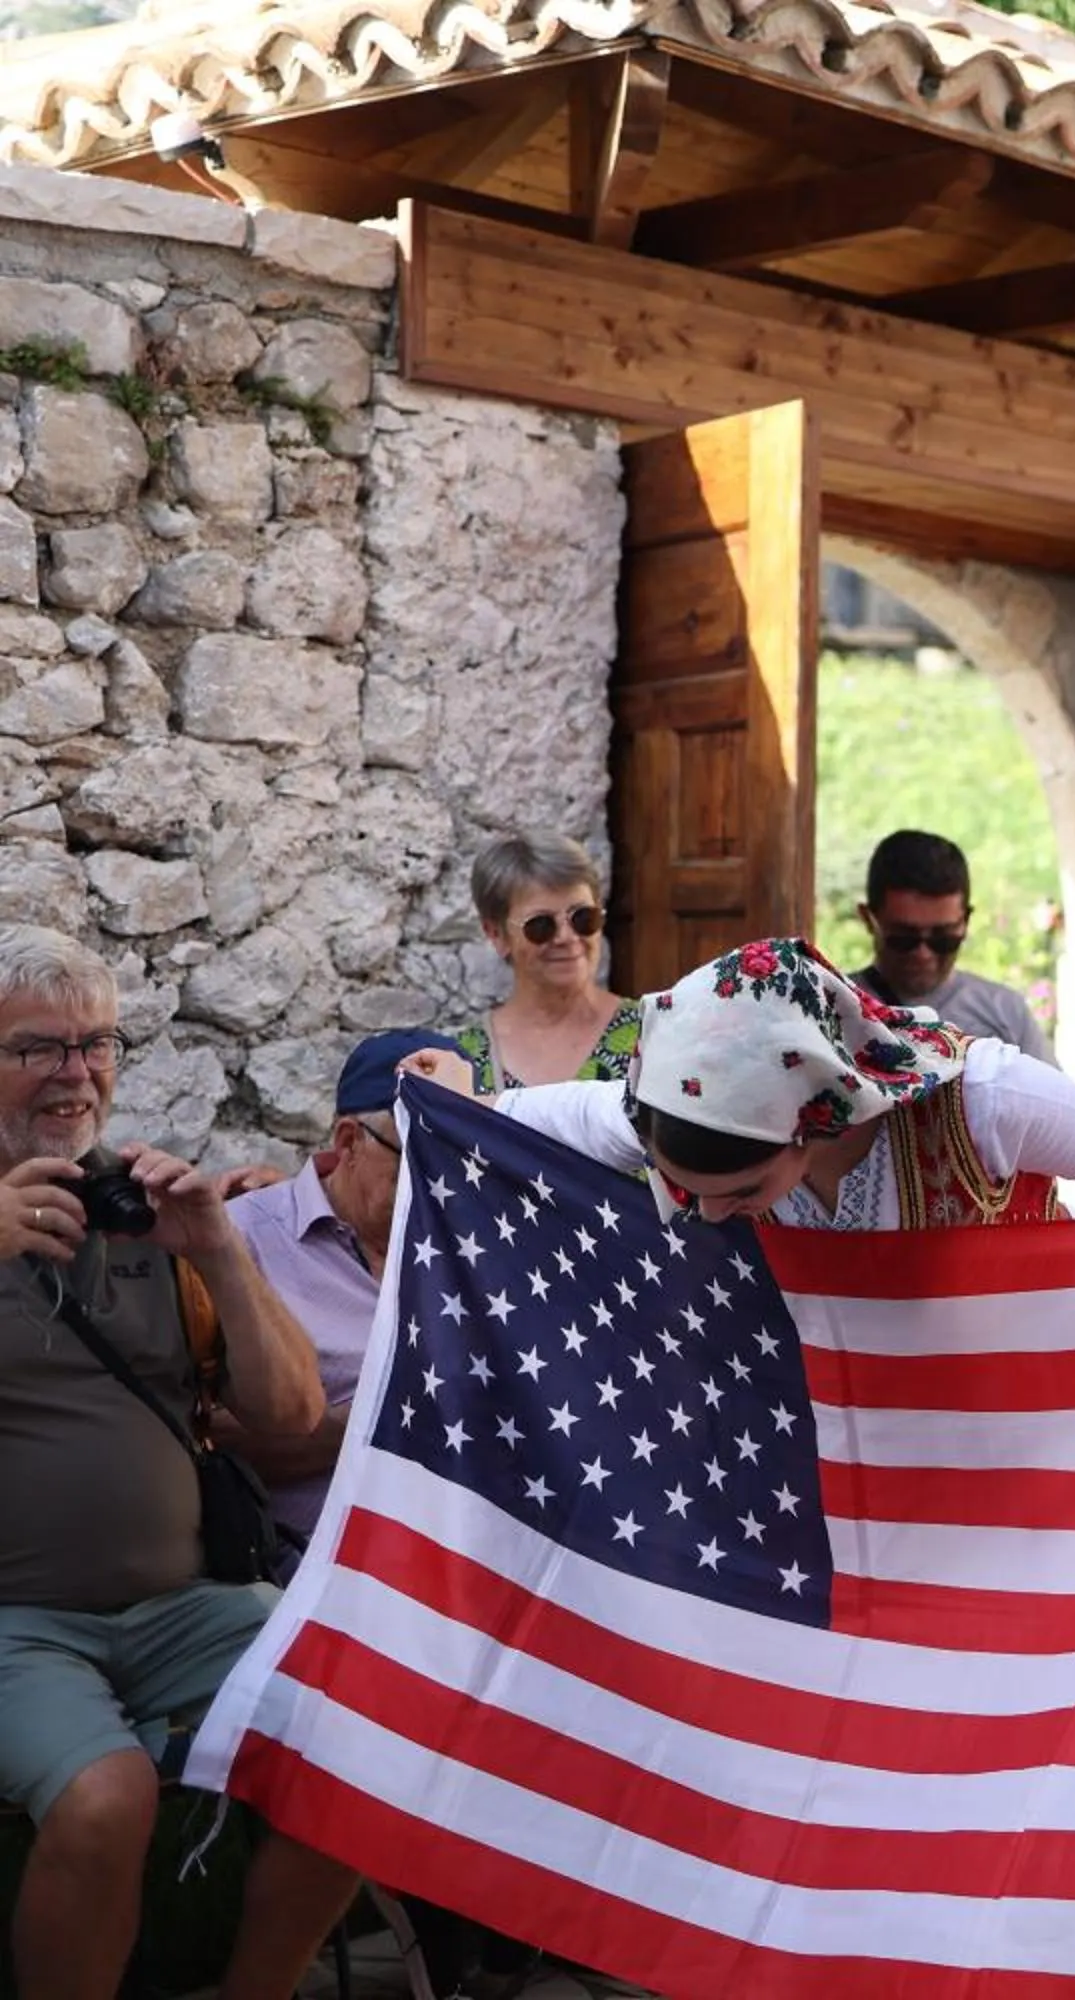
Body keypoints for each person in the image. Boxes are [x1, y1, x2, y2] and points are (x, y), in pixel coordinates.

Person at [0, 925, 362, 1997]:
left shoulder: (143, 1205)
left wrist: (218, 1246)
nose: (75, 1072)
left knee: (367, 1739)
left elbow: (292, 1410)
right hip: (18, 1624)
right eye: (36, 1048)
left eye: (96, 1042)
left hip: (179, 1608)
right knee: (109, 1796)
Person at [401, 938, 1075, 1249]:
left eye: (737, 1195)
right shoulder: (673, 1107)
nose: (703, 1213)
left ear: (814, 1119)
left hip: (1001, 1434)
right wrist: (454, 1108)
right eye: (683, 1188)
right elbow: (563, 1115)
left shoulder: (982, 1099)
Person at [219, 1030, 466, 1552]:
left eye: (463, 1157)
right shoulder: (241, 1241)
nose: (448, 1181)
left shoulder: (481, 1247)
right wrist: (391, 1409)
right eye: (423, 1157)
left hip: (472, 1555)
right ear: (349, 1141)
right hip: (323, 1568)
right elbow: (211, 1439)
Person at [850, 830, 1056, 1065]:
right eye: (904, 938)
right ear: (868, 919)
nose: (923, 953)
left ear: (966, 921)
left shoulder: (1006, 1013)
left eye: (943, 939)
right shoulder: (835, 1010)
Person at [452, 832, 638, 1091]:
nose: (566, 937)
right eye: (541, 925)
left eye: (583, 917)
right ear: (496, 934)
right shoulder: (464, 1059)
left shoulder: (650, 1037)